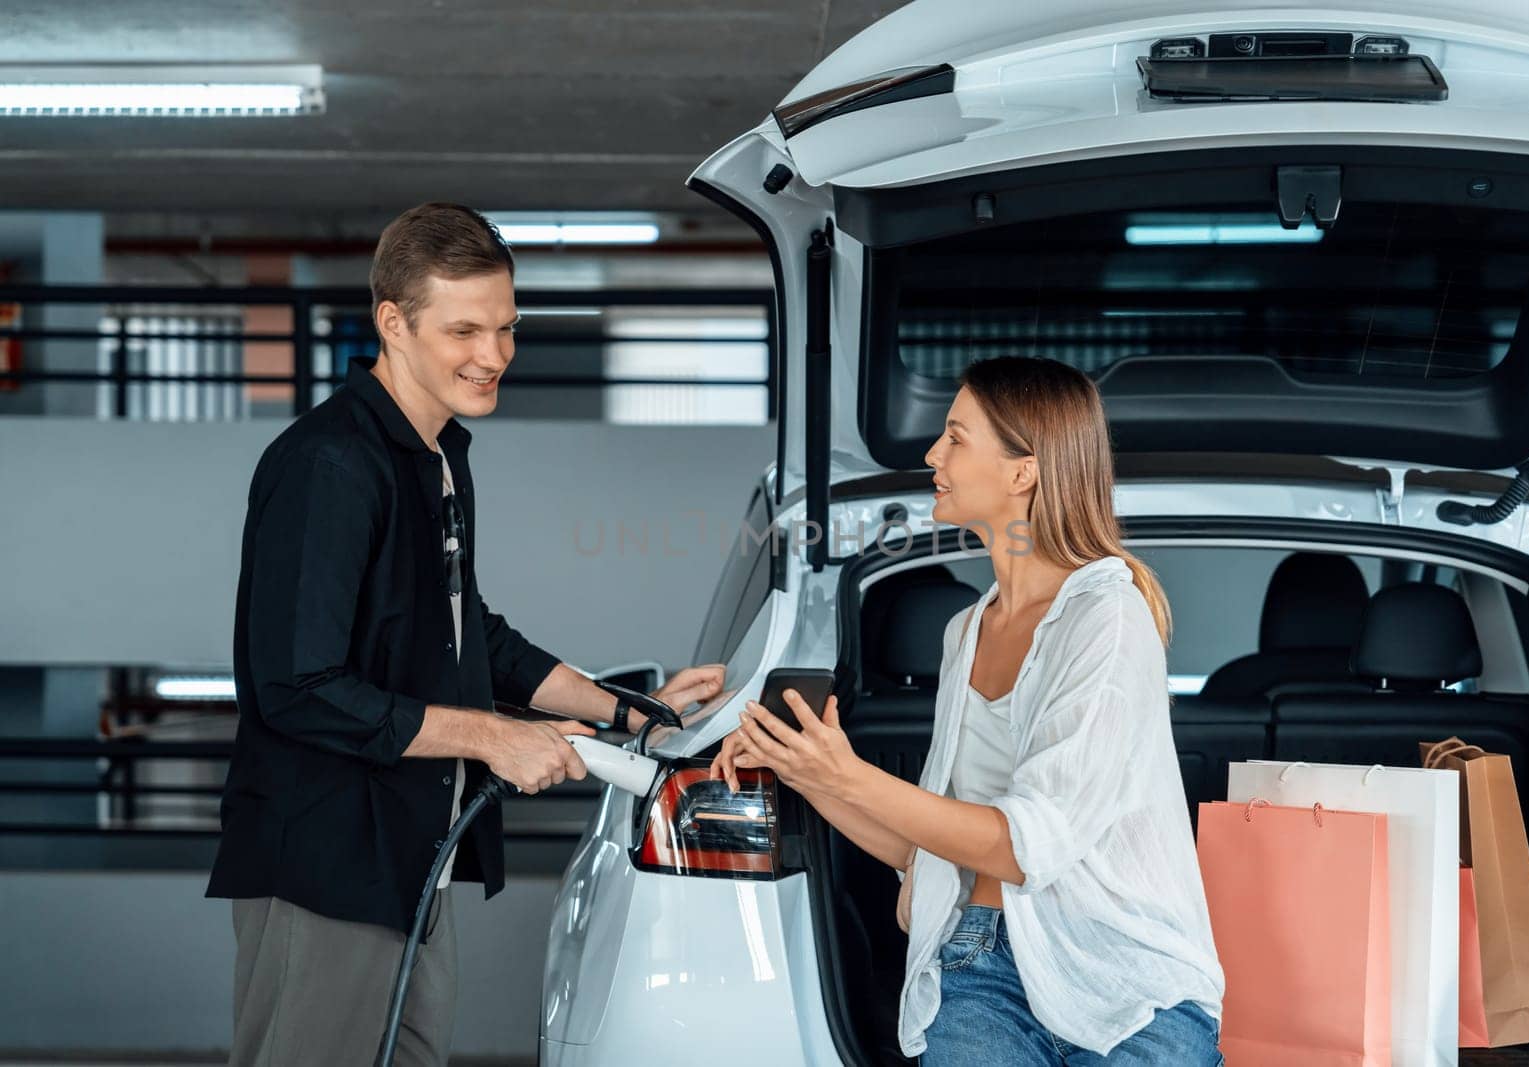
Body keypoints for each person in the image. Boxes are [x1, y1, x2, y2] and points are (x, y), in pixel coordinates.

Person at [207, 202, 725, 1066]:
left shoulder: (439, 454)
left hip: (411, 858)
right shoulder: (329, 467)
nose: (494, 356)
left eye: (507, 328)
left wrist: (631, 713)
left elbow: (466, 631)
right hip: (327, 865)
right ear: (393, 323)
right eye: (465, 331)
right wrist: (493, 736)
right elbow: (296, 688)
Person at [712, 355, 1225, 1065]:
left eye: (956, 436)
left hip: (1122, 980)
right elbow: (928, 846)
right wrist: (805, 767)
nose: (932, 454)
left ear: (1024, 470)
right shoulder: (966, 630)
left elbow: (1024, 845)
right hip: (981, 963)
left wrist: (848, 774)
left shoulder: (1108, 618)